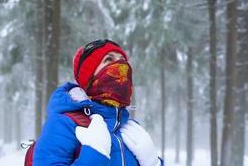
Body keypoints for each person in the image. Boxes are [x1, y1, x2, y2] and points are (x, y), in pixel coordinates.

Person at [33, 39, 163, 166]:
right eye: (108, 59)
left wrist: (154, 163)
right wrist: (94, 155)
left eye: (122, 60)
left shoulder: (130, 129)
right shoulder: (63, 124)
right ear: (89, 77)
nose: (120, 65)